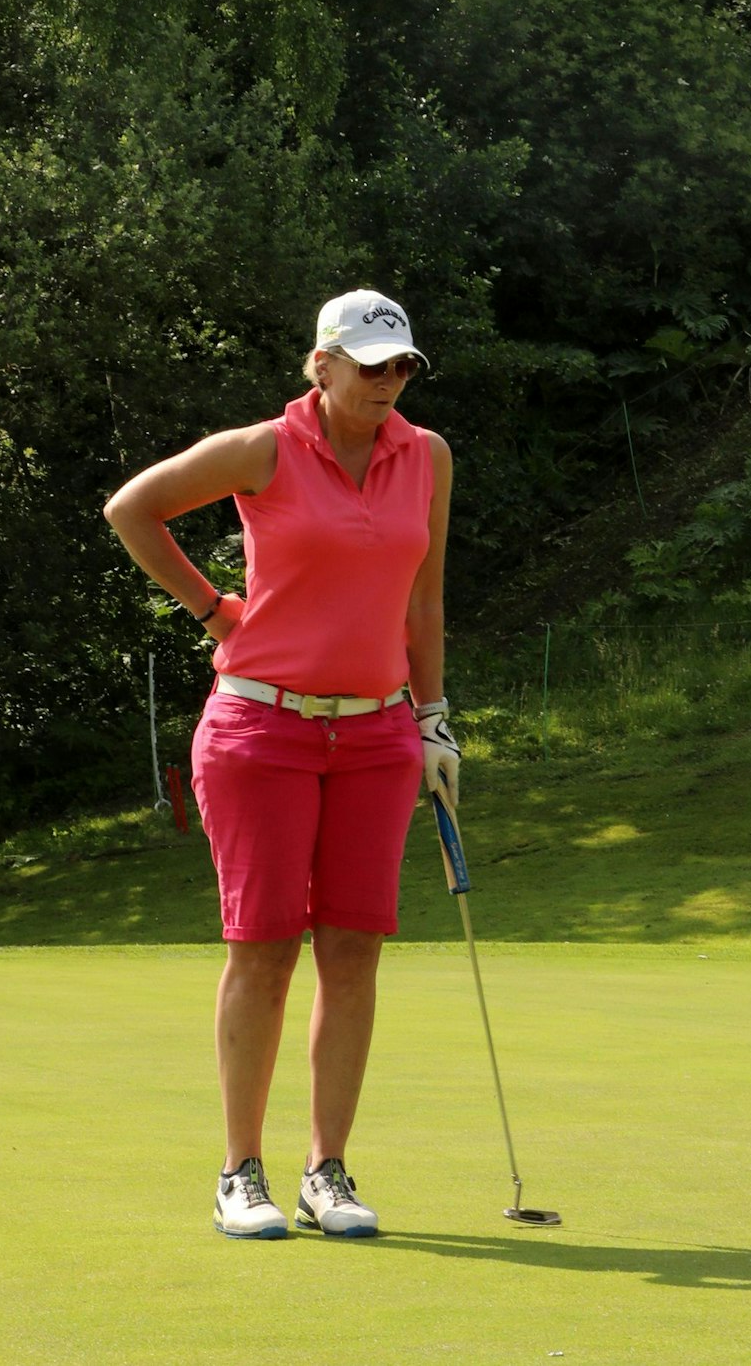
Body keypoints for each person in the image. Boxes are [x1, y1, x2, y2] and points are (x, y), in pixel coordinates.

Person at [105, 290, 460, 1240]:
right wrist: (214, 607)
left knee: (352, 949)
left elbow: (423, 602)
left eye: (401, 366)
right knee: (262, 950)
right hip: (261, 730)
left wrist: (434, 721)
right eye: (369, 362)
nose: (388, 380)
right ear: (322, 364)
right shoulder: (261, 448)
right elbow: (131, 508)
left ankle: (327, 1171)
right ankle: (240, 1171)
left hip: (379, 736)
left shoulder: (425, 455)